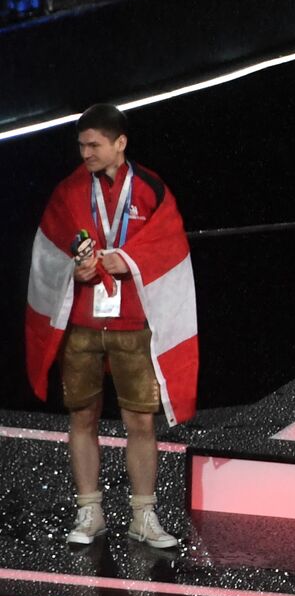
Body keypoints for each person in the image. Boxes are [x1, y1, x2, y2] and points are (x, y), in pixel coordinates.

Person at [25, 103, 198, 549]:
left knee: (140, 421)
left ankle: (144, 516)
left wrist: (126, 260)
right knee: (81, 416)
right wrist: (73, 272)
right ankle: (90, 512)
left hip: (133, 325)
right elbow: (48, 251)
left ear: (120, 143)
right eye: (81, 145)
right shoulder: (68, 192)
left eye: (94, 144)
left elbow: (169, 244)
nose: (85, 153)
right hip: (82, 324)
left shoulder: (151, 190)